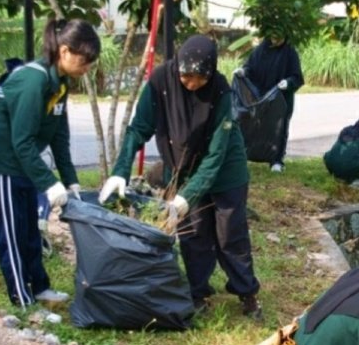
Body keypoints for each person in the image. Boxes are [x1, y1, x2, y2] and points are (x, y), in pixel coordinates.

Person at [99, 35, 262, 320]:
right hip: (184, 167)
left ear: (210, 73)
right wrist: (120, 171)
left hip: (225, 170)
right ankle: (197, 293)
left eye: (199, 78)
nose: (191, 84)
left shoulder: (221, 91)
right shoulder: (161, 82)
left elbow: (215, 156)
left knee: (229, 234)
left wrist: (186, 196)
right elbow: (138, 129)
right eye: (186, 77)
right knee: (194, 232)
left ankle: (246, 292)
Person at [0, 18, 100, 309]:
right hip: (3, 161)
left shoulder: (60, 83)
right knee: (12, 232)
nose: (88, 67)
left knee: (30, 228)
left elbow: (59, 136)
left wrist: (70, 180)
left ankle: (40, 287)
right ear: (65, 51)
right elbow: (21, 142)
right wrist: (49, 183)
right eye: (85, 60)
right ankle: (23, 301)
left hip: (23, 161)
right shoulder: (34, 80)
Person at [236, 35, 304, 173]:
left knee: (279, 128)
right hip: (262, 96)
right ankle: (246, 154)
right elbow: (250, 68)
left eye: (278, 37)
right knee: (254, 126)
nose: (275, 39)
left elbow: (297, 76)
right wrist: (243, 72)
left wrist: (288, 82)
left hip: (281, 98)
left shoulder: (290, 52)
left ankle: (276, 160)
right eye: (273, 37)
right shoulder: (261, 50)